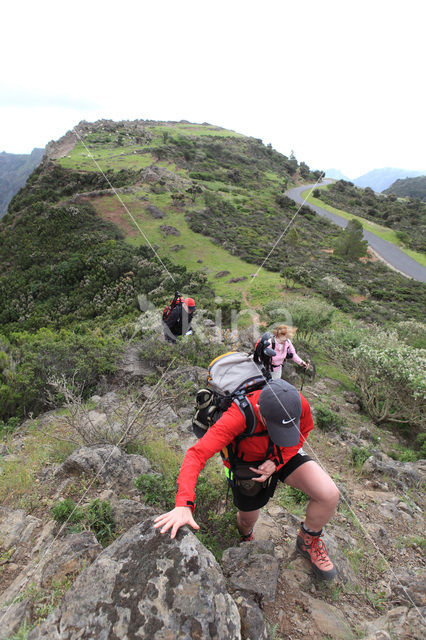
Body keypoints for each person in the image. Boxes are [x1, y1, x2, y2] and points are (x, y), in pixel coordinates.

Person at [154, 378, 339, 581]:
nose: (279, 431)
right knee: (248, 519)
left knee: (328, 495)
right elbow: (195, 455)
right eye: (274, 426)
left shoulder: (297, 403)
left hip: (283, 453)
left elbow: (304, 430)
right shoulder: (237, 417)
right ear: (260, 410)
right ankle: (246, 536)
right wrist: (183, 504)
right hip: (246, 465)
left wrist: (277, 461)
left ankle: (308, 541)